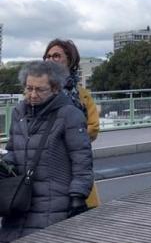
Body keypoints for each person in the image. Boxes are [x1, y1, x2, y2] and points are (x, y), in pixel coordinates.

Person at [0, 61, 93, 242]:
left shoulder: (69, 115)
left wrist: (78, 196)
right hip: (19, 202)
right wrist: (5, 164)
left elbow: (82, 159)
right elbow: (13, 149)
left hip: (54, 204)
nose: (33, 95)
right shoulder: (19, 113)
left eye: (40, 90)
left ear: (55, 89)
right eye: (29, 88)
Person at [43, 39, 101, 209]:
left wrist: (68, 139)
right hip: (48, 166)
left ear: (70, 60)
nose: (50, 60)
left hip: (76, 164)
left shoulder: (82, 94)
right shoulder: (39, 91)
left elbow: (93, 127)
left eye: (56, 56)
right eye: (47, 56)